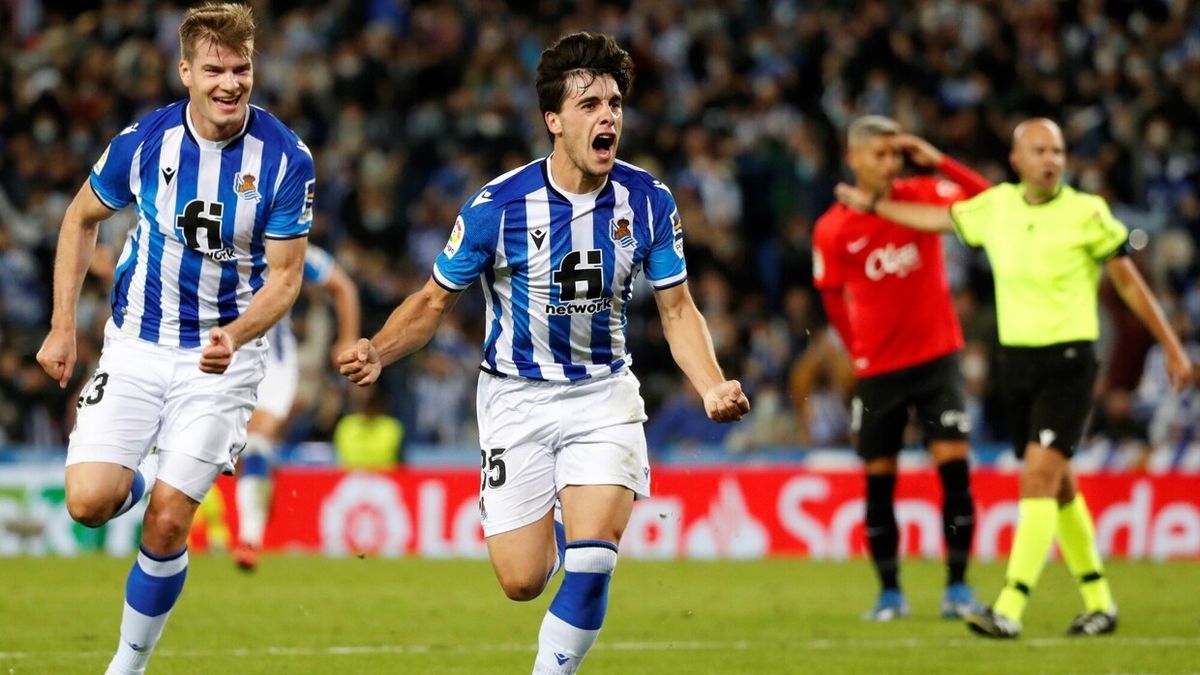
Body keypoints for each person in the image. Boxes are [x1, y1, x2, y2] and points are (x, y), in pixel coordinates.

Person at [339, 32, 750, 674]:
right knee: (522, 580)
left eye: (614, 103)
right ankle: (556, 517)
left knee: (593, 558)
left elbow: (677, 309)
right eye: (589, 105)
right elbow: (431, 303)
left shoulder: (649, 201)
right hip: (514, 397)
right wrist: (379, 351)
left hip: (602, 394)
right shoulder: (497, 207)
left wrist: (711, 384)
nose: (608, 115)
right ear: (553, 121)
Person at [835, 118, 1193, 638]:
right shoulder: (998, 208)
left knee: (1037, 478)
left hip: (1070, 362)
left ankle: (1009, 605)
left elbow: (1130, 284)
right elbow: (934, 219)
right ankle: (1099, 601)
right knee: (1059, 482)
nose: (1051, 159)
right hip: (1018, 365)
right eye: (1040, 150)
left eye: (1059, 150)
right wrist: (873, 207)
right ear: (1017, 160)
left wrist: (1172, 345)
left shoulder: (1086, 213)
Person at [35, 4, 312, 672]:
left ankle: (125, 666)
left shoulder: (285, 159)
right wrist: (62, 326)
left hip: (224, 362)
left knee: (165, 521)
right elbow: (80, 218)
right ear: (184, 70)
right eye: (214, 68)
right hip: (135, 345)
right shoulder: (145, 142)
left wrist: (236, 333)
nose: (230, 83)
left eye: (241, 68)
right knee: (90, 501)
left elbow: (286, 279)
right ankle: (161, 472)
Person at [814, 115, 991, 622]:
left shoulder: (921, 194)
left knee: (955, 472)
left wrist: (939, 159)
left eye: (896, 154)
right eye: (880, 154)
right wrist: (858, 351)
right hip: (880, 370)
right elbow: (831, 298)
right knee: (879, 480)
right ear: (855, 158)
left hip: (938, 358)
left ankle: (957, 588)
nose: (891, 163)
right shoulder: (833, 227)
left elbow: (989, 204)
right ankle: (889, 593)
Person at [232, 244, 360, 571]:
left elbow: (342, 286)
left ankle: (249, 538)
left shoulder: (287, 242)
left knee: (256, 441)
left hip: (272, 364)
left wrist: (347, 338)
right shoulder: (214, 232)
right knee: (235, 451)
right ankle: (256, 499)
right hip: (215, 360)